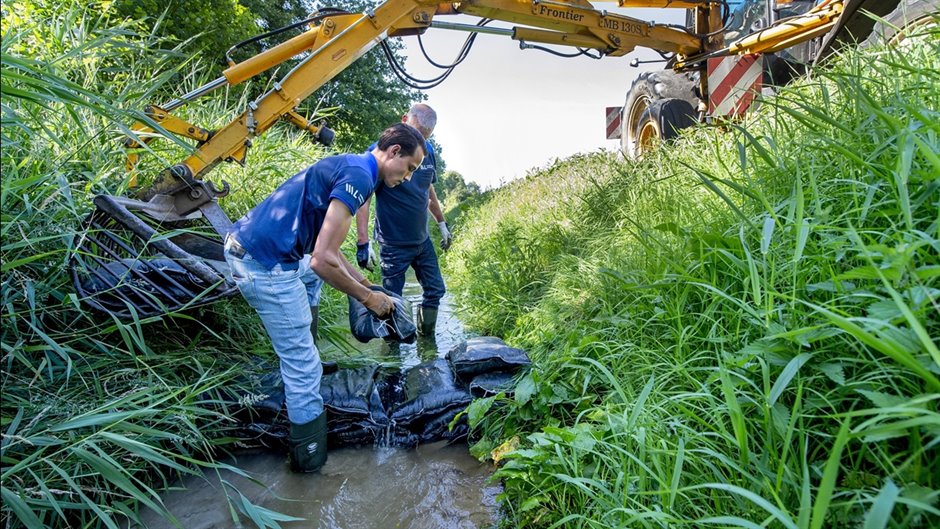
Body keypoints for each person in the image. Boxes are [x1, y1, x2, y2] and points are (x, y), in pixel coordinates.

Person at [223, 123, 426, 472]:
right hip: (263, 263)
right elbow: (322, 261)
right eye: (409, 168)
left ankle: (307, 350)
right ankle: (309, 463)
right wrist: (368, 299)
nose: (408, 177)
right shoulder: (361, 178)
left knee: (312, 282)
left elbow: (322, 248)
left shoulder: (355, 166)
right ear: (394, 152)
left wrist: (363, 280)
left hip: (260, 247)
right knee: (302, 366)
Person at [355, 104, 452, 337]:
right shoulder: (382, 153)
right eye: (417, 133)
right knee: (390, 301)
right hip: (393, 244)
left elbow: (428, 190)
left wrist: (442, 223)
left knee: (436, 290)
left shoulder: (427, 153)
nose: (419, 141)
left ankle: (426, 342)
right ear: (404, 119)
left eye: (424, 137)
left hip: (422, 241)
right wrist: (363, 241)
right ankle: (392, 352)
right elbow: (364, 199)